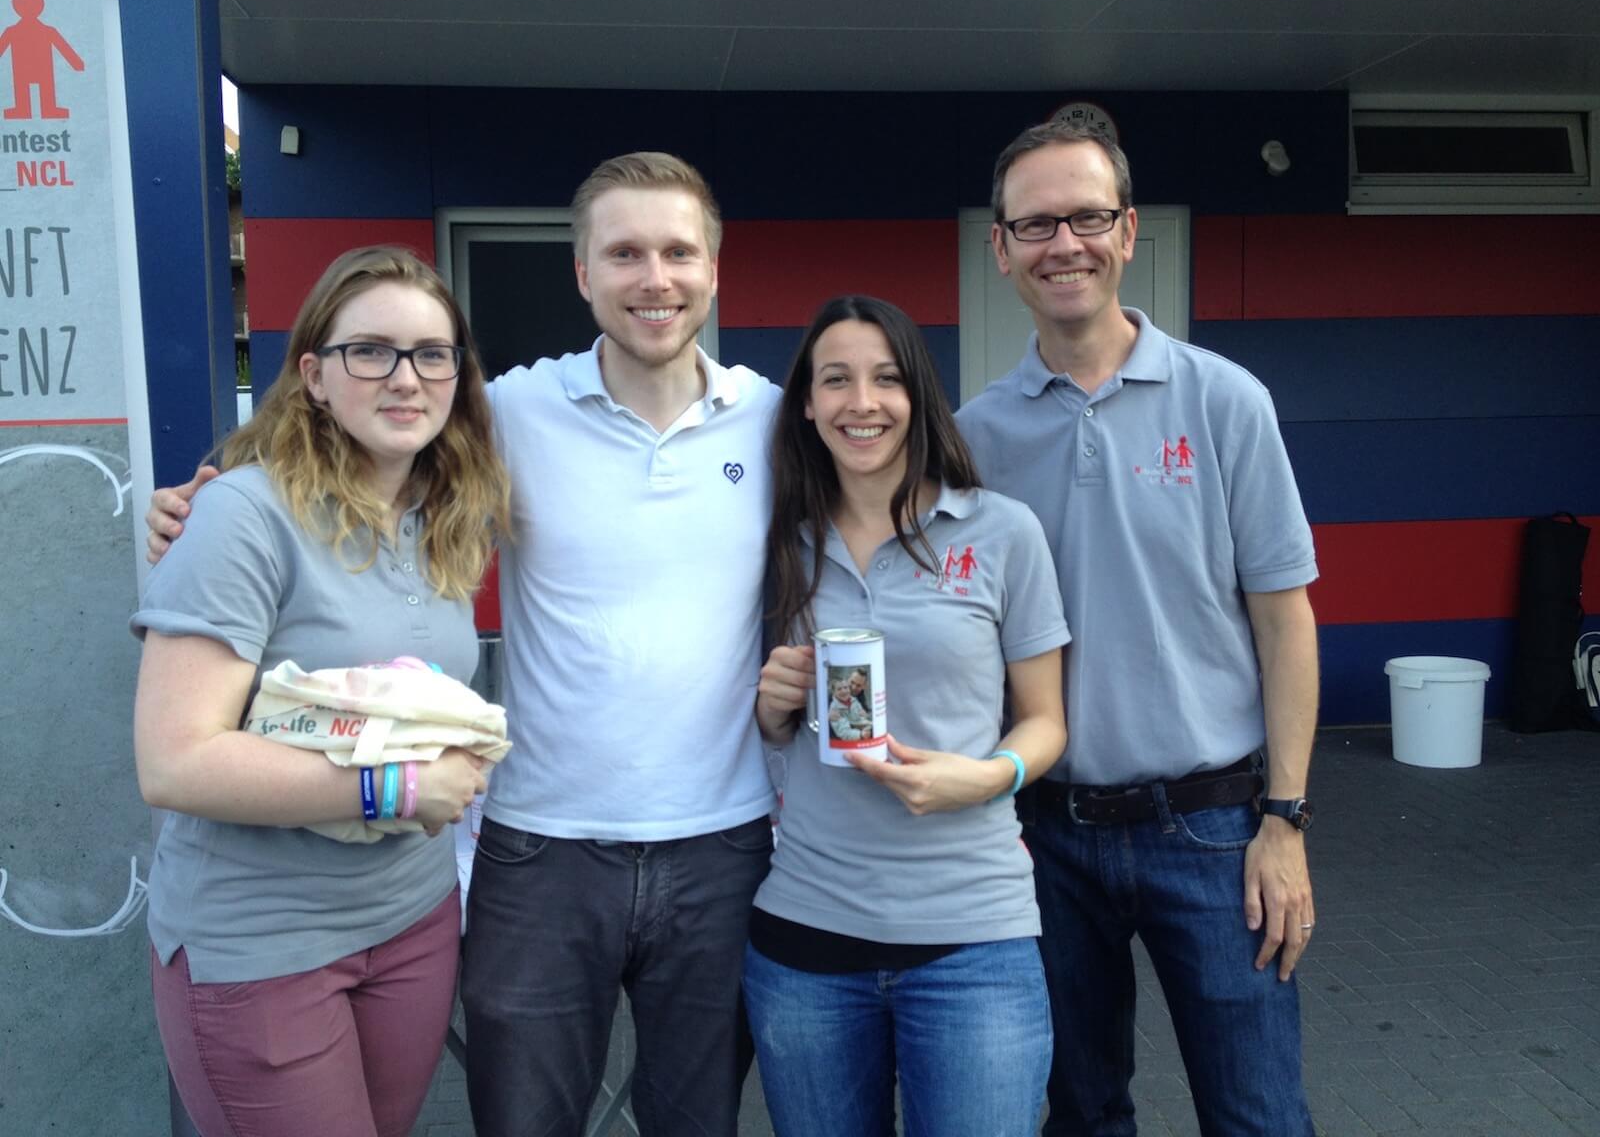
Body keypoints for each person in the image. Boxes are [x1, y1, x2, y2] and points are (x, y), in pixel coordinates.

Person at [151, 153, 781, 1136]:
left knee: (695, 1120)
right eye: (623, 252)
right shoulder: (509, 411)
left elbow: (886, 513)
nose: (652, 276)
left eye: (675, 251)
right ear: (582, 274)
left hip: (723, 843)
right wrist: (197, 499)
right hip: (540, 847)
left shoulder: (780, 422)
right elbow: (337, 445)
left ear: (712, 269)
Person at [957, 119, 1320, 1135]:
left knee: (1255, 1113)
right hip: (1045, 836)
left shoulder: (1225, 403)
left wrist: (1283, 825)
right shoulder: (976, 435)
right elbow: (966, 632)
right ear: (1000, 247)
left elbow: (1284, 622)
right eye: (1034, 223)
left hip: (1211, 831)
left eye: (1084, 217)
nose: (1060, 243)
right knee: (1077, 1112)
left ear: (1124, 232)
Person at [131, 245, 509, 1137]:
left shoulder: (439, 519)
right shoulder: (242, 515)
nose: (405, 377)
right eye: (369, 351)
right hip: (263, 944)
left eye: (432, 353)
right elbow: (176, 763)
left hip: (412, 921)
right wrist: (399, 788)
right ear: (314, 375)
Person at [747, 295, 1069, 1137]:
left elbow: (1045, 722)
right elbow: (768, 732)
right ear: (807, 404)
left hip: (976, 941)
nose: (863, 402)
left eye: (887, 379)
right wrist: (774, 710)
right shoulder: (775, 540)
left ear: (918, 397)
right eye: (836, 380)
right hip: (807, 938)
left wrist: (987, 776)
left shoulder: (1001, 531)